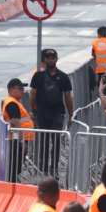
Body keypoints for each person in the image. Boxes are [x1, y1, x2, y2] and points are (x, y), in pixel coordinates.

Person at [29, 49, 74, 178]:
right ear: (44, 60)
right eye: (48, 58)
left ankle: (54, 168)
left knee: (56, 140)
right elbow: (33, 96)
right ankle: (44, 169)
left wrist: (70, 115)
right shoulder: (38, 76)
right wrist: (31, 112)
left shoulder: (63, 77)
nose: (50, 60)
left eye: (52, 57)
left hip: (57, 114)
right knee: (43, 142)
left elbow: (68, 98)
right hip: (42, 114)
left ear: (56, 59)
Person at [3, 78, 35, 182]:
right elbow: (16, 123)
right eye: (20, 88)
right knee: (15, 167)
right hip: (17, 140)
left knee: (16, 166)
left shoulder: (14, 102)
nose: (22, 91)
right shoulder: (12, 104)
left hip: (18, 139)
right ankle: (11, 186)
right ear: (11, 90)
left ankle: (12, 184)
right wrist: (22, 142)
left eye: (23, 88)